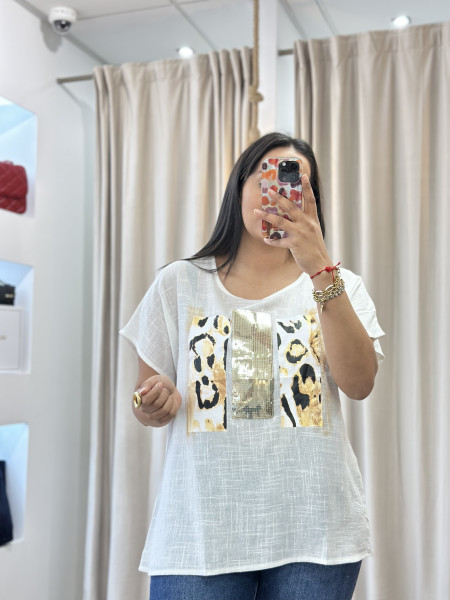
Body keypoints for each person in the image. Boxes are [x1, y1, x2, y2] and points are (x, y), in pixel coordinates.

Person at [120, 132, 384, 600]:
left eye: (293, 182)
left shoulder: (340, 285)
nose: (276, 192)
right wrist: (155, 402)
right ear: (238, 187)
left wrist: (320, 267)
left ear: (312, 200)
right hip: (200, 533)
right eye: (265, 178)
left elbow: (359, 383)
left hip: (316, 532)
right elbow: (146, 401)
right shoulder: (180, 283)